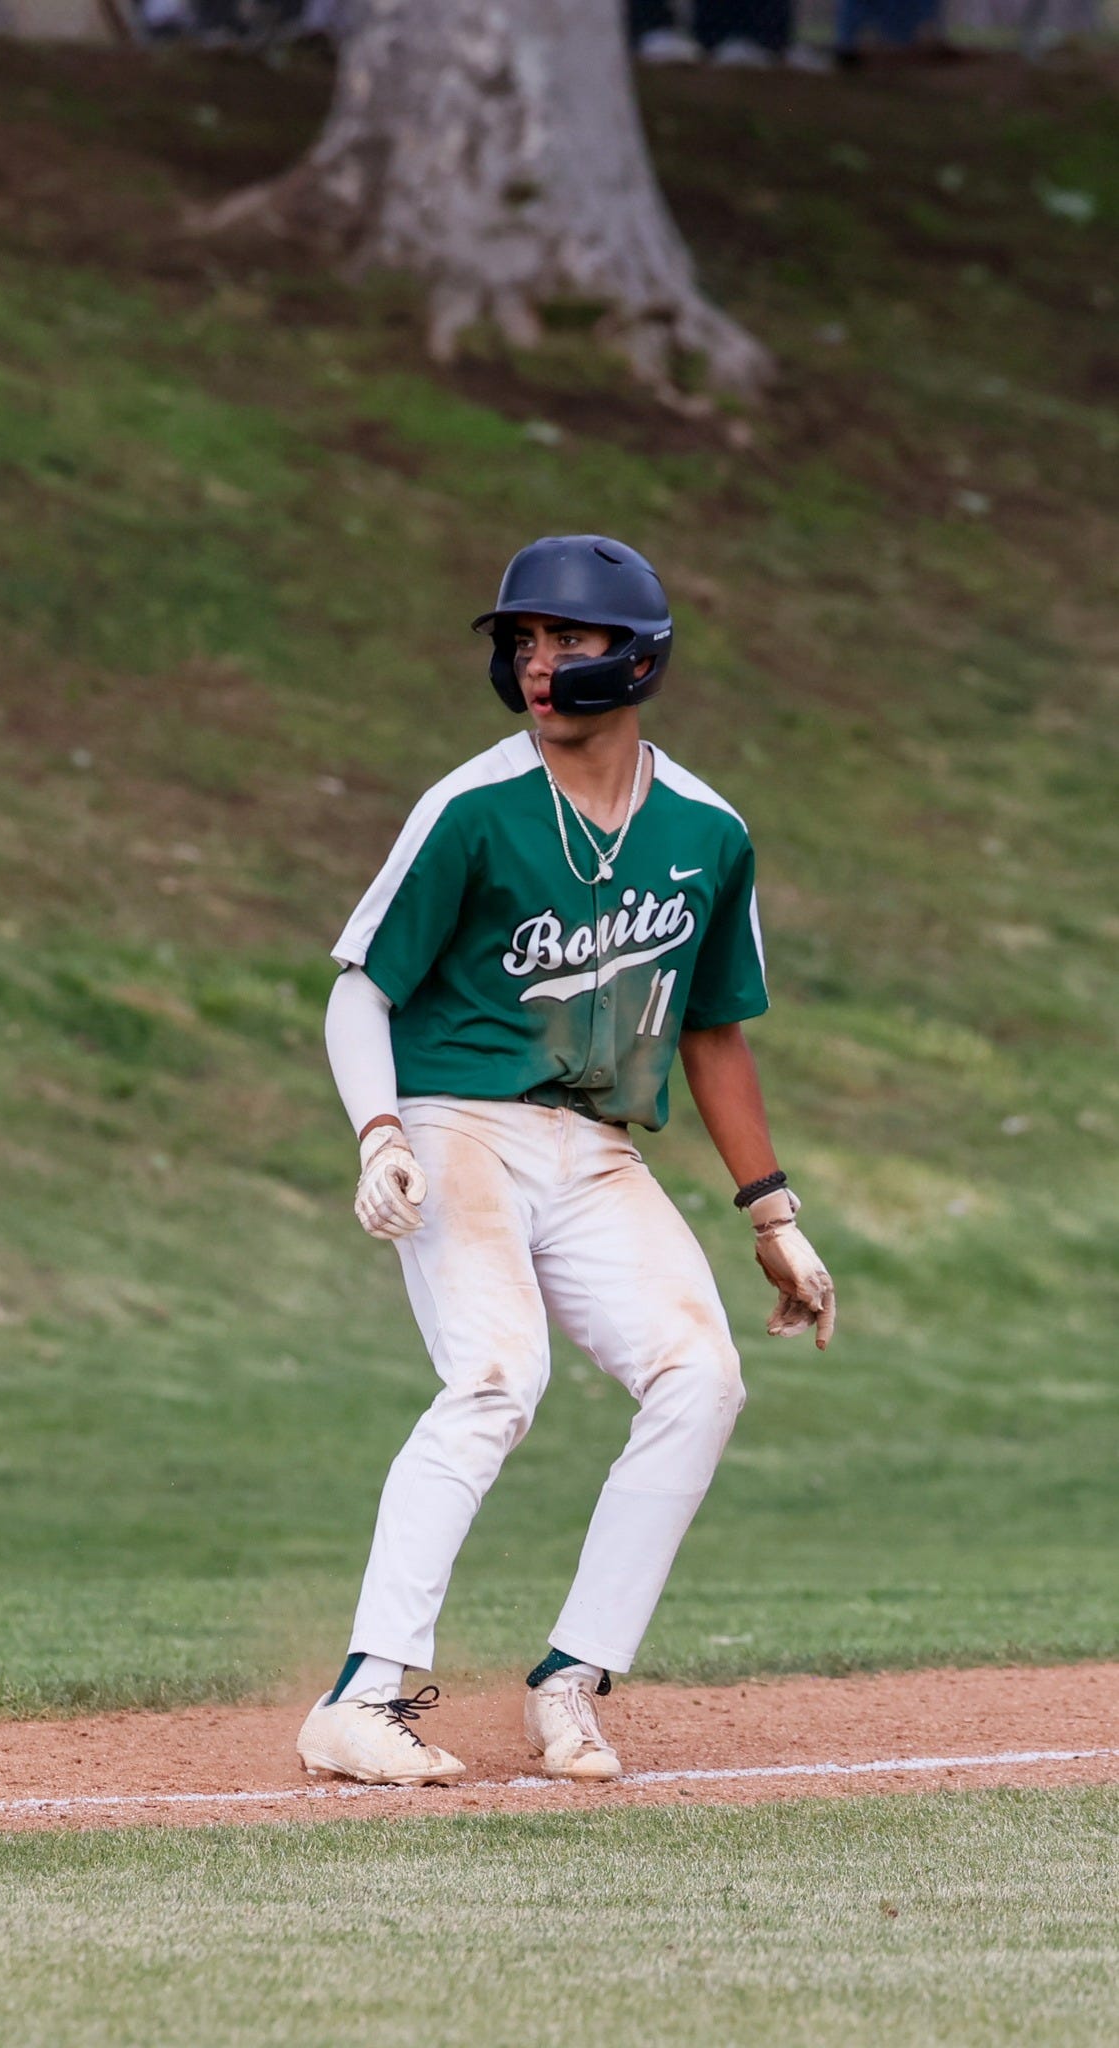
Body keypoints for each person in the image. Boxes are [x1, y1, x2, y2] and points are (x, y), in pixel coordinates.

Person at [296, 536, 835, 1788]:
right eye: (522, 642)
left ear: (636, 658)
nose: (539, 663)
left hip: (594, 1146)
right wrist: (379, 1131)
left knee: (701, 1378)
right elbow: (358, 991)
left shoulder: (706, 829)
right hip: (457, 1119)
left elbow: (711, 1025)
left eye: (569, 640)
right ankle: (363, 1694)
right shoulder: (474, 804)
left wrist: (772, 1211)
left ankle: (572, 1678)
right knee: (494, 1376)